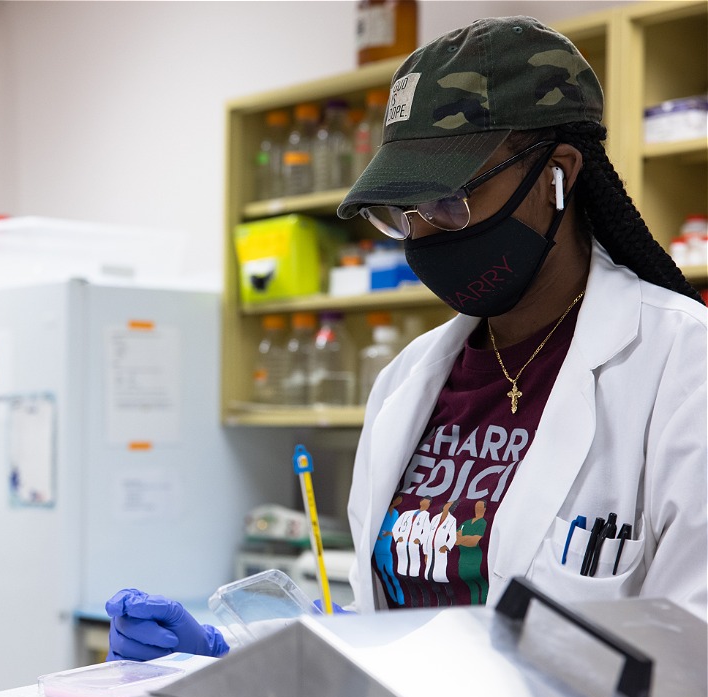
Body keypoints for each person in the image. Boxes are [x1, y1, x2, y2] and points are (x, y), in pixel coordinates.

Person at [107, 15, 706, 662]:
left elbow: (690, 665)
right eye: (402, 211)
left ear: (557, 174)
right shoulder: (407, 384)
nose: (422, 235)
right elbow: (385, 636)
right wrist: (238, 658)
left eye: (449, 200)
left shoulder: (680, 370)